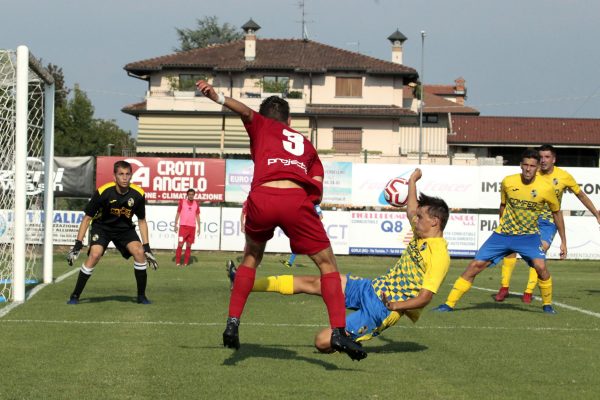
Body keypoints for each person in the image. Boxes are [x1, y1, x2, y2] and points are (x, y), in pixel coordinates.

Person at [196, 80, 366, 360]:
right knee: (327, 266)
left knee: (251, 258)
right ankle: (338, 330)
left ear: (266, 117)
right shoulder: (305, 143)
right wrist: (305, 207)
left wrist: (217, 96)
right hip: (295, 201)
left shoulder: (261, 125)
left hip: (262, 197)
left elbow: (246, 112)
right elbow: (318, 181)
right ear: (290, 120)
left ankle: (233, 322)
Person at [227, 169, 451, 352]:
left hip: (383, 309)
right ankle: (242, 283)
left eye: (420, 217)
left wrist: (396, 306)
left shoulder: (439, 255)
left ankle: (353, 338)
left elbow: (425, 297)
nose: (415, 218)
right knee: (316, 282)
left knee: (322, 342)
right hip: (371, 287)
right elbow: (411, 208)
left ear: (434, 222)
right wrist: (412, 181)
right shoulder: (421, 231)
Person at [433, 149, 566, 314]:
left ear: (537, 167)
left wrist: (563, 242)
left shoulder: (546, 188)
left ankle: (547, 305)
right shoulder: (508, 182)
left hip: (529, 237)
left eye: (532, 166)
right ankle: (448, 304)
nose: (528, 169)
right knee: (475, 265)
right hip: (503, 235)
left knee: (540, 267)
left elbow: (557, 213)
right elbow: (502, 206)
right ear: (520, 165)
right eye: (525, 165)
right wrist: (503, 226)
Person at [495, 144, 600, 303]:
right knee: (510, 250)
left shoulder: (563, 176)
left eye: (547, 157)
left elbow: (581, 195)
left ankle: (528, 291)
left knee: (539, 251)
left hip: (548, 222)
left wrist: (596, 213)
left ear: (554, 159)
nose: (543, 160)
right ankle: (504, 287)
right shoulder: (531, 172)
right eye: (541, 157)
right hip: (527, 217)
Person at [66, 160, 158, 305]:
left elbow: (141, 221)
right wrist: (78, 244)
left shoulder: (138, 194)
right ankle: (75, 295)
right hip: (102, 228)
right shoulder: (103, 192)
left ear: (131, 176)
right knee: (95, 254)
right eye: (121, 174)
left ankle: (141, 296)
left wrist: (147, 247)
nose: (124, 177)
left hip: (125, 229)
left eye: (128, 174)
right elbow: (87, 218)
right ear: (114, 176)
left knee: (139, 253)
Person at [174, 188, 201, 267]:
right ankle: (178, 262)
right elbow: (178, 213)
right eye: (189, 194)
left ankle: (185, 263)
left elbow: (197, 215)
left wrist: (199, 227)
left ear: (194, 195)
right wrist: (175, 224)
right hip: (183, 227)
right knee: (180, 244)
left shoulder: (196, 203)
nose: (191, 196)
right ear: (187, 195)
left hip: (192, 228)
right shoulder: (182, 202)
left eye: (192, 194)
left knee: (189, 245)